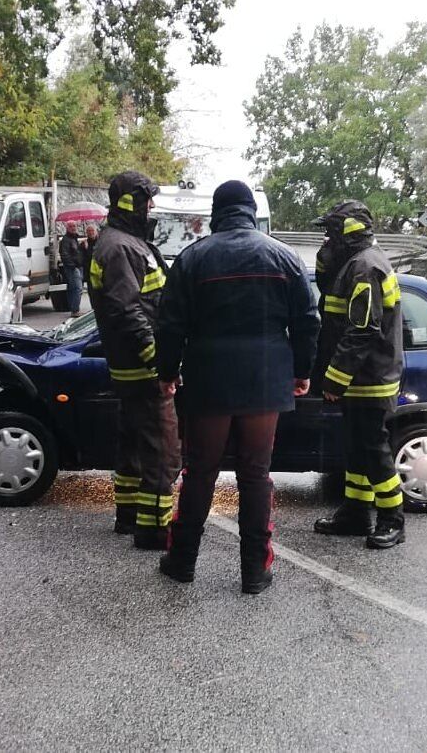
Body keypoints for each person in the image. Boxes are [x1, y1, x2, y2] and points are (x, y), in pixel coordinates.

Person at [156, 181, 319, 594]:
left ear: (217, 212)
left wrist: (167, 370)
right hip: (266, 380)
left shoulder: (193, 258)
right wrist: (302, 370)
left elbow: (170, 321)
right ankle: (254, 571)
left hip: (209, 379)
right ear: (249, 211)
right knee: (255, 474)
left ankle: (181, 561)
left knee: (200, 472)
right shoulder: (284, 256)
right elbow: (307, 319)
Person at [87, 171, 182, 550]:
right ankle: (155, 531)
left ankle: (128, 517)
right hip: (144, 371)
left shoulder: (120, 243)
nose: (152, 208)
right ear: (132, 203)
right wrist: (160, 364)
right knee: (162, 452)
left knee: (132, 449)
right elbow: (126, 312)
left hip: (130, 369)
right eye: (148, 201)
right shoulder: (122, 248)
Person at [310, 201, 407, 550]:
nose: (325, 240)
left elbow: (363, 329)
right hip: (361, 377)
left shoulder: (365, 267)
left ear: (344, 234)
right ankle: (355, 511)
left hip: (368, 378)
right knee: (356, 448)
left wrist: (335, 378)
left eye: (329, 233)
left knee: (372, 449)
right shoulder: (352, 263)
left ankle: (392, 518)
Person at [58, 222, 86, 316]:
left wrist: (81, 246)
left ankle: (73, 309)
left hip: (78, 266)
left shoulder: (74, 239)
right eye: (71, 226)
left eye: (74, 226)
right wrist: (72, 266)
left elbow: (76, 252)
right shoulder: (66, 240)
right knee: (77, 288)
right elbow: (65, 255)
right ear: (67, 228)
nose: (73, 228)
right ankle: (75, 310)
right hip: (73, 268)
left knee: (73, 288)